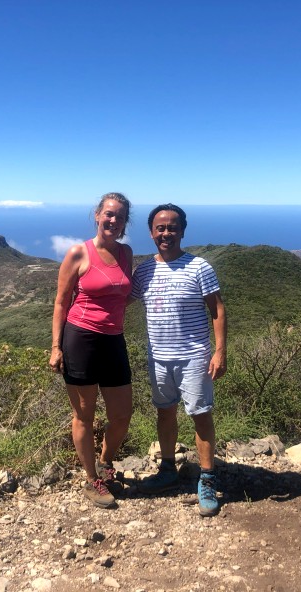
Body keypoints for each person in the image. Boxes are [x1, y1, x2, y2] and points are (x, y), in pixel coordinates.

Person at [131, 203, 228, 517]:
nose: (166, 233)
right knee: (165, 414)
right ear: (151, 232)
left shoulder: (199, 267)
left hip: (193, 358)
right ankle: (168, 469)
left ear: (182, 231)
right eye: (160, 228)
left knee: (200, 415)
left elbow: (217, 310)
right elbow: (121, 301)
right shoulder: (144, 270)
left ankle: (208, 479)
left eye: (172, 227)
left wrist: (220, 351)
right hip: (158, 358)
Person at [50, 193, 134, 508]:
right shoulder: (78, 253)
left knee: (122, 414)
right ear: (97, 215)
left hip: (114, 340)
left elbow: (125, 293)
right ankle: (91, 479)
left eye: (120, 217)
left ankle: (104, 461)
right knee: (84, 415)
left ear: (126, 223)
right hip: (80, 339)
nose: (113, 221)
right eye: (109, 214)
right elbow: (61, 302)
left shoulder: (126, 253)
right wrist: (56, 346)